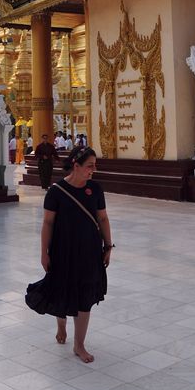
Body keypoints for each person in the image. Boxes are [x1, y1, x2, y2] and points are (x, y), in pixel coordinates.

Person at [40, 146, 113, 363]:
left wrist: (108, 246)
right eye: (89, 166)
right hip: (63, 250)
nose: (93, 170)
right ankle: (61, 323)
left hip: (89, 250)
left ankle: (79, 344)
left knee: (85, 296)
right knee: (63, 290)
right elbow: (48, 223)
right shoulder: (56, 192)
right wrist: (44, 253)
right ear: (76, 165)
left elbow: (103, 219)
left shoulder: (95, 189)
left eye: (94, 166)